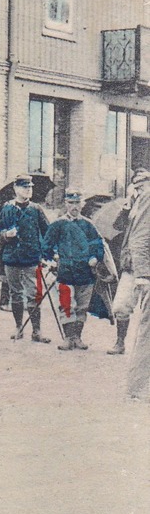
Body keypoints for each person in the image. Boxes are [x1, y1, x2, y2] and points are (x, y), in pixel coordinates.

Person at [41, 189, 105, 351]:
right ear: (66, 204)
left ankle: (77, 337)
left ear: (82, 204)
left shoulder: (88, 225)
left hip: (85, 272)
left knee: (82, 306)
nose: (74, 206)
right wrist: (52, 259)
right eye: (71, 203)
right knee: (66, 304)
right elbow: (46, 246)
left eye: (77, 203)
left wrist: (95, 257)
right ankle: (68, 338)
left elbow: (98, 244)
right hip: (65, 271)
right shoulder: (58, 224)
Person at [0, 174, 50, 344]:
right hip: (11, 258)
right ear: (16, 189)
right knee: (15, 294)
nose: (28, 190)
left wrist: (47, 253)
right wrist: (6, 235)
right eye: (25, 187)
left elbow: (47, 232)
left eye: (30, 187)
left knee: (34, 294)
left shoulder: (36, 209)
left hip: (31, 258)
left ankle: (36, 331)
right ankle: (19, 327)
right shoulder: (7, 208)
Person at [110, 170, 150, 397]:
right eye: (138, 185)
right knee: (121, 308)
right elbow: (137, 237)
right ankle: (119, 340)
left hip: (141, 267)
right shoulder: (137, 205)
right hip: (134, 268)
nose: (142, 188)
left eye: (145, 183)